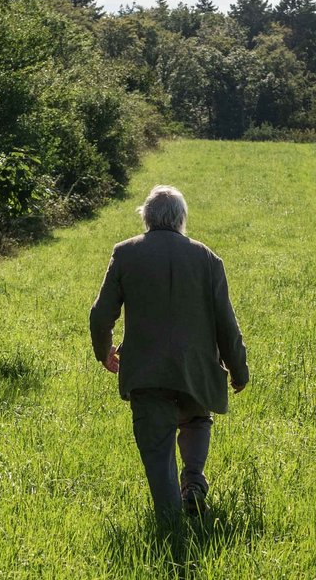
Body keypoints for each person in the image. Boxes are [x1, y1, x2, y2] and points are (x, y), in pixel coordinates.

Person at [89, 184, 249, 519]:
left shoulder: (126, 253)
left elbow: (100, 315)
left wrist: (104, 351)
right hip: (196, 368)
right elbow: (226, 323)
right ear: (181, 219)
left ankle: (170, 518)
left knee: (158, 447)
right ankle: (193, 482)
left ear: (146, 217)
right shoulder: (208, 258)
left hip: (146, 372)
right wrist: (238, 369)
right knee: (196, 418)